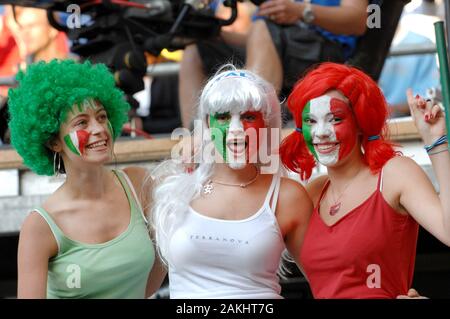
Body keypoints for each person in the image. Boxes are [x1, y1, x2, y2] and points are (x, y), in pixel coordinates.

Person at [280, 62, 450, 298]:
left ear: (361, 121)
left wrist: (437, 143)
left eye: (335, 119)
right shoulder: (312, 193)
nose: (321, 132)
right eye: (311, 121)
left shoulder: (394, 174)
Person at [8, 59, 165, 298]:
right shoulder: (40, 226)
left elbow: (161, 263)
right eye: (82, 122)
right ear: (54, 141)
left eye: (102, 117)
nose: (98, 129)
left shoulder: (138, 183)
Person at [151, 66, 312, 298]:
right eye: (224, 117)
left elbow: (325, 282)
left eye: (248, 117)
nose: (236, 130)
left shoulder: (288, 196)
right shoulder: (174, 187)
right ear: (207, 124)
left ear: (266, 124)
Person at [179, 0, 368, 128]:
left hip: (327, 51)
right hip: (280, 43)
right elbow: (261, 41)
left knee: (262, 26)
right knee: (196, 49)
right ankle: (197, 137)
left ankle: (244, 128)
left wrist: (300, 11)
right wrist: (213, 34)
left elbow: (358, 20)